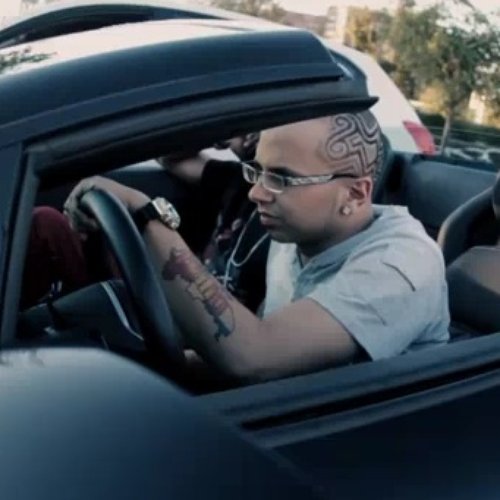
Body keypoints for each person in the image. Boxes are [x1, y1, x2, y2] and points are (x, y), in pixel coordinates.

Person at [64, 110, 450, 383]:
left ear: (355, 193)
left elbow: (254, 356)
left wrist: (147, 214)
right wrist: (139, 371)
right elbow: (260, 351)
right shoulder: (297, 236)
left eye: (281, 178)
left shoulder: (401, 264)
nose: (256, 192)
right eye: (258, 171)